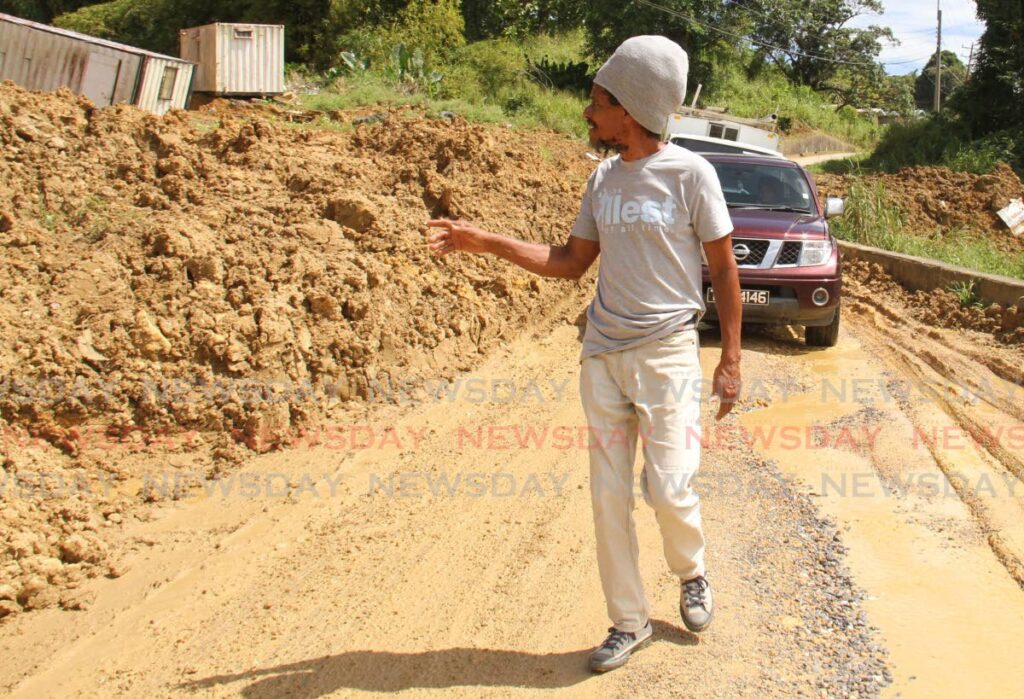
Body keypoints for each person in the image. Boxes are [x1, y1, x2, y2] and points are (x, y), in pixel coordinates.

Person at [427, 35, 742, 673]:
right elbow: (571, 263)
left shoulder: (692, 175)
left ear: (630, 105)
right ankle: (628, 621)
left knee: (671, 486)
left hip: (669, 352)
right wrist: (483, 241)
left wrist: (730, 359)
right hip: (603, 354)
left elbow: (724, 269)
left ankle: (692, 572)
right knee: (607, 495)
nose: (587, 112)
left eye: (597, 100)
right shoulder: (601, 177)